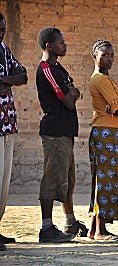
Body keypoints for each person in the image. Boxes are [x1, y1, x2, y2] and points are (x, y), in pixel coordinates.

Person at [36, 27, 88, 243]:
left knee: (68, 179)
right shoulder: (47, 69)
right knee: (52, 179)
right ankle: (46, 228)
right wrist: (72, 93)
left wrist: (72, 92)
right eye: (61, 42)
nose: (64, 45)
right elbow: (68, 99)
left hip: (65, 131)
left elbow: (74, 91)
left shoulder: (60, 69)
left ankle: (69, 222)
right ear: (49, 45)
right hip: (54, 132)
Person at [88, 40, 118, 240]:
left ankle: (93, 229)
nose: (109, 59)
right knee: (104, 179)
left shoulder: (107, 79)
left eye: (112, 55)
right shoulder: (100, 80)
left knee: (105, 178)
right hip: (104, 130)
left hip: (111, 130)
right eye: (104, 55)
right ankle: (100, 230)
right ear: (94, 57)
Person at [0, 13, 28, 251]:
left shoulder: (3, 49)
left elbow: (23, 75)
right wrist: (10, 80)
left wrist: (5, 80)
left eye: (3, 30)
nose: (0, 34)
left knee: (3, 184)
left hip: (6, 123)